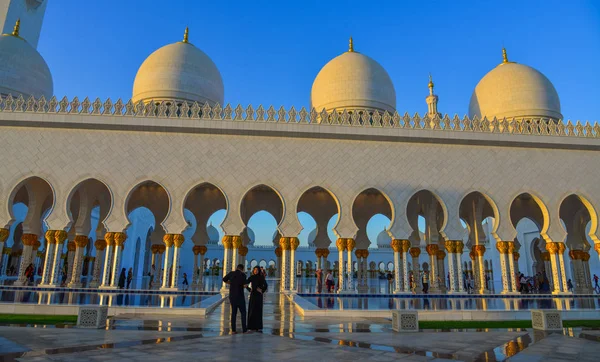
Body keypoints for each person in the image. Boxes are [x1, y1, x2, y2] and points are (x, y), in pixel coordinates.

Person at [222, 264, 249, 334]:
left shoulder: (231, 273)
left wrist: (230, 283)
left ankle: (233, 330)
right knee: (243, 313)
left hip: (232, 297)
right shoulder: (243, 275)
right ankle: (244, 330)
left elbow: (224, 279)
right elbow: (245, 285)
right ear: (242, 269)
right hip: (240, 297)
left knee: (234, 313)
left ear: (237, 268)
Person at [246, 266, 268, 331]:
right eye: (255, 269)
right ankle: (251, 326)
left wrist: (262, 290)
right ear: (253, 270)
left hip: (258, 296)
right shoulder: (252, 277)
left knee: (258, 310)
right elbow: (245, 283)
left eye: (257, 270)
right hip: (253, 295)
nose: (256, 271)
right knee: (252, 310)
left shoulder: (261, 277)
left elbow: (266, 285)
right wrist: (249, 289)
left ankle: (258, 326)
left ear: (259, 271)